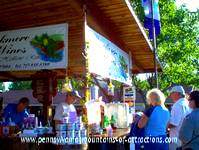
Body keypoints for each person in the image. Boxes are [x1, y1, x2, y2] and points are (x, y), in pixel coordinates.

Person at [168, 85, 191, 150]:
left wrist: (164, 127)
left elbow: (174, 123)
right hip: (185, 140)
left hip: (176, 140)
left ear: (177, 93)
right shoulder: (187, 103)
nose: (170, 95)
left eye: (172, 93)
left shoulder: (177, 105)